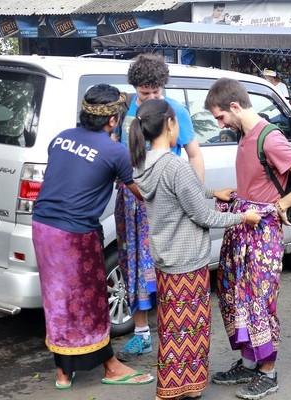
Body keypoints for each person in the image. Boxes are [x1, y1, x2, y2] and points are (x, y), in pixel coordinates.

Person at [128, 98, 261, 400]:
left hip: (165, 258)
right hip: (188, 261)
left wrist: (213, 192)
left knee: (172, 326)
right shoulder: (176, 165)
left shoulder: (142, 163)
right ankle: (176, 389)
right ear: (170, 124)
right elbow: (203, 215)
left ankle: (180, 387)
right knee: (190, 330)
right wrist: (242, 217)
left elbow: (177, 194)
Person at [204, 78, 291, 400]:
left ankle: (268, 372)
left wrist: (281, 204)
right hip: (241, 226)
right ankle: (248, 362)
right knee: (234, 297)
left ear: (234, 106)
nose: (220, 124)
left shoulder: (269, 138)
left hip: (261, 232)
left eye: (220, 117)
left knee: (259, 300)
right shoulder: (245, 135)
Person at [31, 84, 154, 389]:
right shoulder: (115, 151)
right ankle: (111, 367)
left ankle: (63, 371)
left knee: (58, 299)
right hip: (74, 235)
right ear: (113, 121)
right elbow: (142, 193)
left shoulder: (61, 139)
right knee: (90, 301)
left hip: (43, 227)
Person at [111, 53, 205, 362]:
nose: (149, 98)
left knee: (165, 263)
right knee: (133, 261)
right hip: (129, 198)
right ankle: (141, 334)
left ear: (163, 87)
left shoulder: (175, 111)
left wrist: (197, 195)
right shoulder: (127, 109)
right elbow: (116, 151)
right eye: (144, 93)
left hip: (163, 199)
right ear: (135, 88)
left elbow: (193, 155)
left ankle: (170, 330)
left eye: (154, 93)